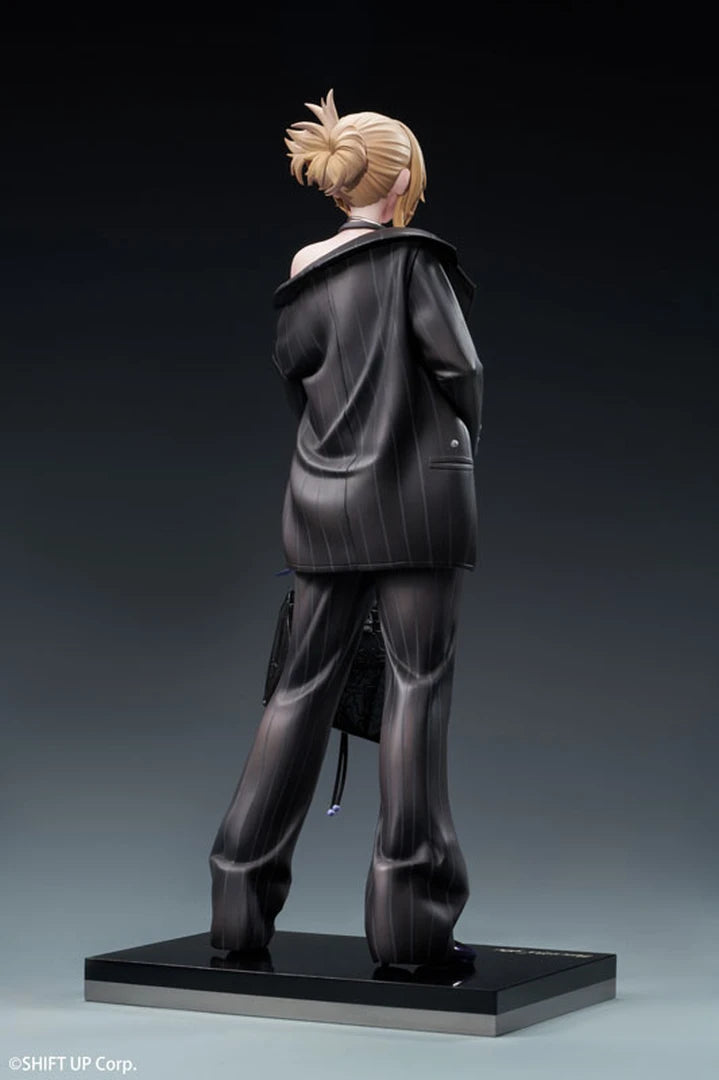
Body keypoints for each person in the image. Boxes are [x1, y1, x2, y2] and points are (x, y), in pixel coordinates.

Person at [209, 89, 483, 967]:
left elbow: (297, 379)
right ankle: (410, 927)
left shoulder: (303, 271)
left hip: (322, 501)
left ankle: (236, 905)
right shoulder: (415, 263)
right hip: (419, 504)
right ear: (399, 181)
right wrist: (453, 443)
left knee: (298, 689)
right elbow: (461, 372)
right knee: (416, 685)